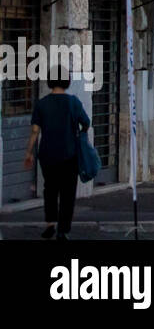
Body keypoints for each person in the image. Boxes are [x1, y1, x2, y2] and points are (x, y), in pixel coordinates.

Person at [23, 73, 91, 240]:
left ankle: (50, 224)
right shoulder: (73, 102)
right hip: (69, 154)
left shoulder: (42, 104)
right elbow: (86, 122)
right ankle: (63, 230)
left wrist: (29, 152)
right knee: (68, 193)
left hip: (48, 155)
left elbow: (35, 131)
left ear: (50, 81)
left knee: (50, 190)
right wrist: (80, 134)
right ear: (67, 82)